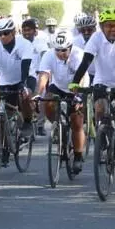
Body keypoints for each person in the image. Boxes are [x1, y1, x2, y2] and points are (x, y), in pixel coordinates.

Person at [69, 8, 115, 177]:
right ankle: (103, 134)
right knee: (100, 108)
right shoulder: (96, 38)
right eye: (108, 26)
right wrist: (75, 81)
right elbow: (86, 60)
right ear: (101, 27)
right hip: (102, 82)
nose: (113, 29)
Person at [37, 32, 87, 171]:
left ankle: (78, 156)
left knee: (76, 121)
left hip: (77, 86)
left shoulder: (78, 54)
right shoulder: (48, 55)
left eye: (64, 50)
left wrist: (78, 97)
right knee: (47, 100)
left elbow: (82, 77)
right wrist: (38, 94)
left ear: (70, 47)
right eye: (57, 50)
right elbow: (43, 76)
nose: (60, 53)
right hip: (58, 85)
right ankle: (58, 125)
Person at [0, 17, 37, 139]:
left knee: (25, 95)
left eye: (6, 33)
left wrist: (23, 84)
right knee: (4, 111)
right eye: (0, 34)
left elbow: (25, 66)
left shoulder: (24, 44)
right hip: (6, 81)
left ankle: (27, 122)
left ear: (13, 32)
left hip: (26, 76)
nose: (2, 37)